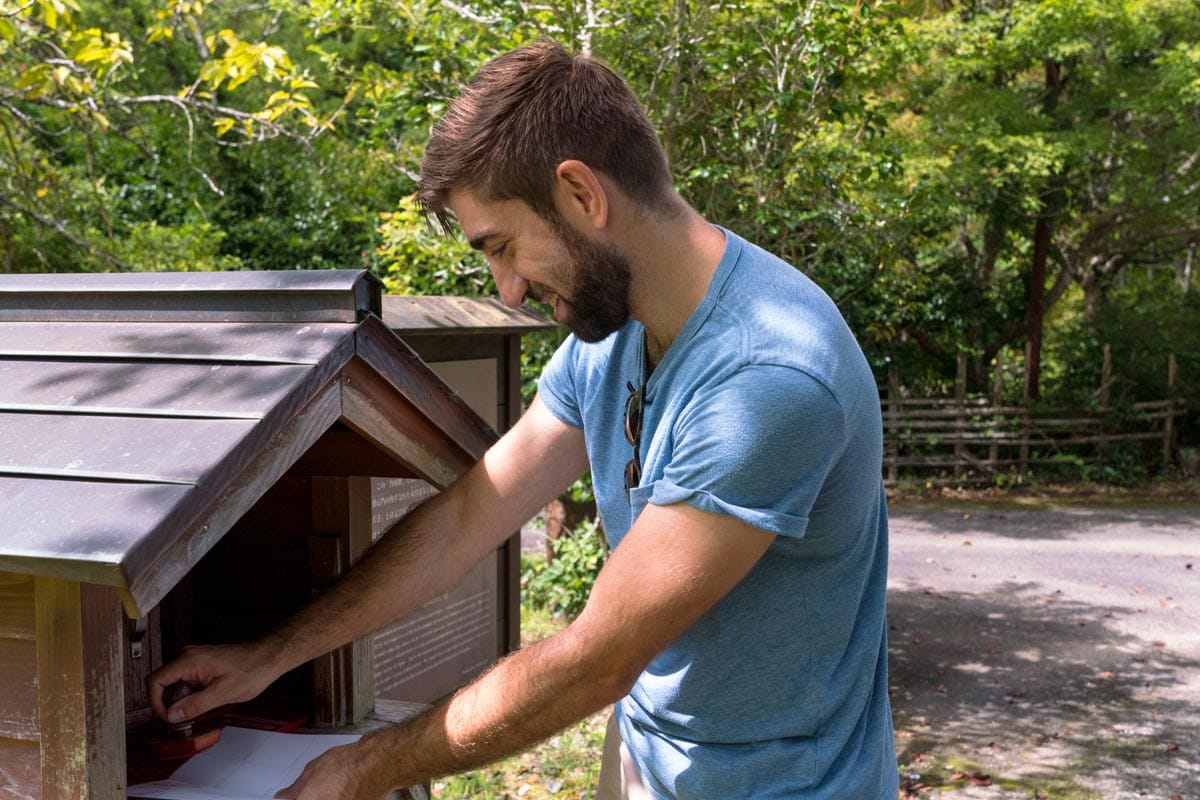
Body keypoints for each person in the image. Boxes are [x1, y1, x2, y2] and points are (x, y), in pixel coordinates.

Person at [148, 38, 898, 800]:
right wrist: (270, 655)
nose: (507, 291)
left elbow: (595, 661)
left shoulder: (767, 377)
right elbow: (468, 517)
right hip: (649, 755)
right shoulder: (612, 337)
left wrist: (360, 769)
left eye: (502, 246)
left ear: (581, 195)